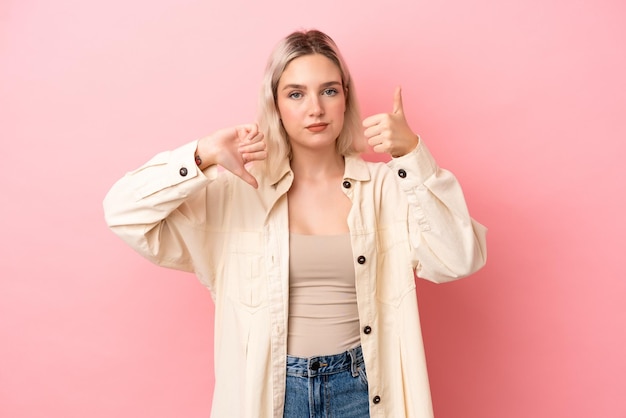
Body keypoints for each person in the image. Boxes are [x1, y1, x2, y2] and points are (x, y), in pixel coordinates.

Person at [103, 29, 487, 418]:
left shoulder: (386, 187)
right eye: (296, 93)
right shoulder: (238, 192)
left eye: (329, 91)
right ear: (276, 105)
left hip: (362, 389)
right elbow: (123, 211)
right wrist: (201, 155)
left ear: (345, 99)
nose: (315, 109)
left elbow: (460, 257)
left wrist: (412, 155)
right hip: (269, 394)